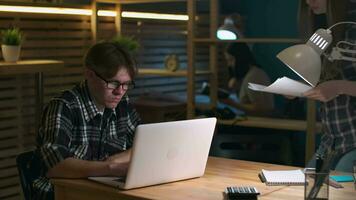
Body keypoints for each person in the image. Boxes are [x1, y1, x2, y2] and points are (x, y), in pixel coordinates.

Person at [31, 42, 141, 199]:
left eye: (126, 85)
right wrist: (110, 167)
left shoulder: (123, 104)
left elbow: (143, 146)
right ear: (90, 75)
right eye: (113, 83)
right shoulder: (63, 106)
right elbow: (56, 166)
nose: (119, 92)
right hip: (59, 194)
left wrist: (115, 160)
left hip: (101, 191)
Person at [298, 0, 356, 171]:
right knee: (306, 189)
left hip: (352, 141)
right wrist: (298, 87)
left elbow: (337, 82)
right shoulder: (322, 25)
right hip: (331, 141)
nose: (310, 1)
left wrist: (339, 87)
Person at [221, 42, 275, 116]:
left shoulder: (253, 76)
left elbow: (259, 108)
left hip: (261, 123)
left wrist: (231, 103)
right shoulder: (253, 73)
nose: (229, 65)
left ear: (240, 58)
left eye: (231, 60)